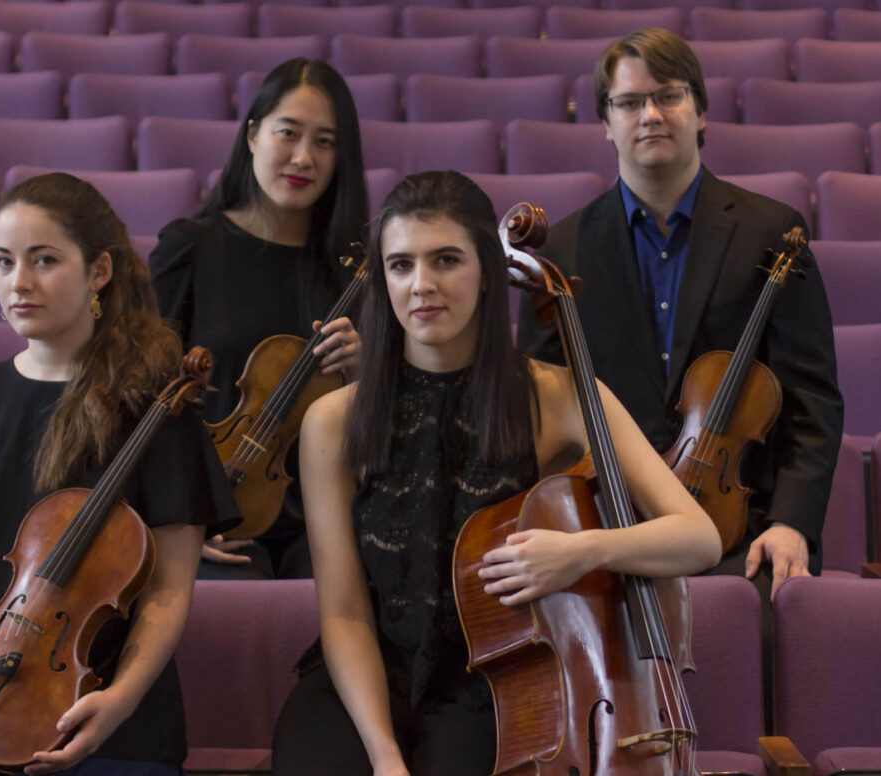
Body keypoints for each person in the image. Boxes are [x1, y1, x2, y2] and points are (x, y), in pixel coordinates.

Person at [271, 170, 721, 776]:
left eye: (446, 260)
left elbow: (698, 536)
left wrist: (582, 552)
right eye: (401, 265)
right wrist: (383, 757)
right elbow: (345, 613)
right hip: (359, 683)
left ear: (487, 271)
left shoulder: (555, 395)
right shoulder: (333, 420)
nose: (422, 285)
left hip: (493, 684)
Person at [0, 173, 237, 776]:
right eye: (3, 261)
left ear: (98, 272)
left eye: (44, 260)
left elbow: (169, 593)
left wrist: (116, 703)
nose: (18, 282)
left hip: (94, 720)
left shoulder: (158, 415)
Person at [517, 28, 843, 603]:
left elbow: (811, 402)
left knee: (756, 633)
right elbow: (541, 418)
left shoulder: (772, 232)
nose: (650, 114)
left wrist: (792, 523)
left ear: (699, 112)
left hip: (743, 532)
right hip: (611, 525)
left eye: (668, 95)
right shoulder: (562, 253)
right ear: (605, 121)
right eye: (629, 102)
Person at [150, 57, 369, 581]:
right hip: (213, 508)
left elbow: (389, 418)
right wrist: (180, 514)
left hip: (323, 515)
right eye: (288, 133)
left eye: (324, 141)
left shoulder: (355, 271)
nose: (302, 157)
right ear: (252, 135)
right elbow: (140, 391)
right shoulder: (192, 248)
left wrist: (367, 367)